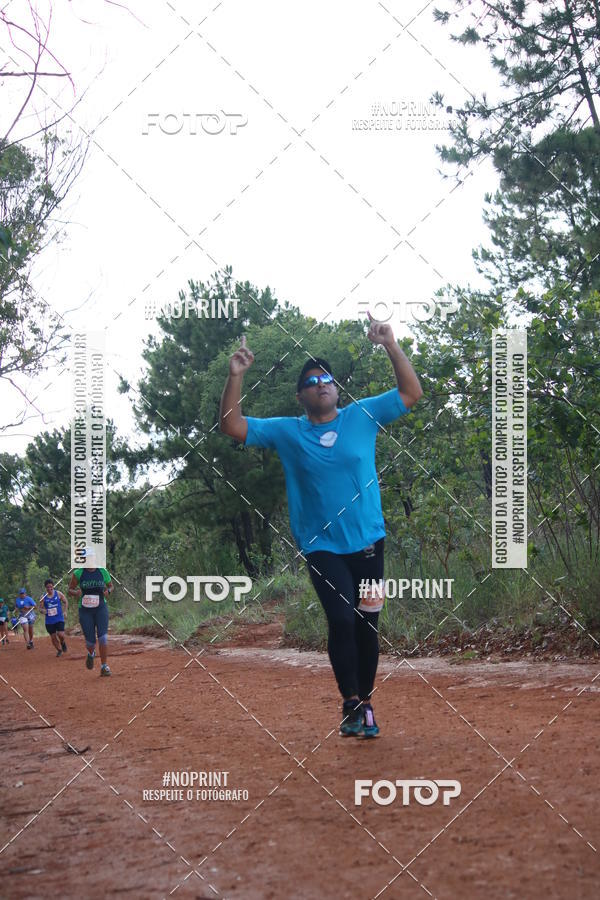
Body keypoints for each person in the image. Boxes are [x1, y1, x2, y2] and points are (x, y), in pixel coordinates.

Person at [219, 315, 423, 738]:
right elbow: (232, 426)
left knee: (368, 623)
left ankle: (364, 704)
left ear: (336, 388)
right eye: (311, 381)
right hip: (322, 547)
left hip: (370, 542)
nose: (320, 383)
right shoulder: (287, 432)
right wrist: (235, 375)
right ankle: (350, 701)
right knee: (342, 618)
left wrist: (390, 343)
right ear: (301, 396)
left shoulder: (363, 415)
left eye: (326, 378)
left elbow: (411, 393)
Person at [67, 552, 114, 676]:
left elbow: (111, 586)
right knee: (90, 642)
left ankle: (104, 666)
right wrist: (75, 593)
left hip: (100, 608)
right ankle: (91, 653)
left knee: (103, 638)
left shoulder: (102, 571)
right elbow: (69, 590)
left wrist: (108, 591)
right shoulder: (78, 573)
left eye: (91, 557)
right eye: (86, 558)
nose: (89, 559)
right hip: (85, 610)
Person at [39, 579, 69, 657]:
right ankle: (59, 650)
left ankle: (62, 642)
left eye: (51, 587)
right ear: (45, 588)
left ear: (53, 586)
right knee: (53, 637)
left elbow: (65, 601)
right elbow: (40, 608)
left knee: (61, 634)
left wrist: (65, 611)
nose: (49, 589)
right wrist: (43, 611)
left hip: (59, 618)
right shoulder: (43, 597)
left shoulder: (58, 594)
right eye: (47, 587)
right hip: (49, 621)